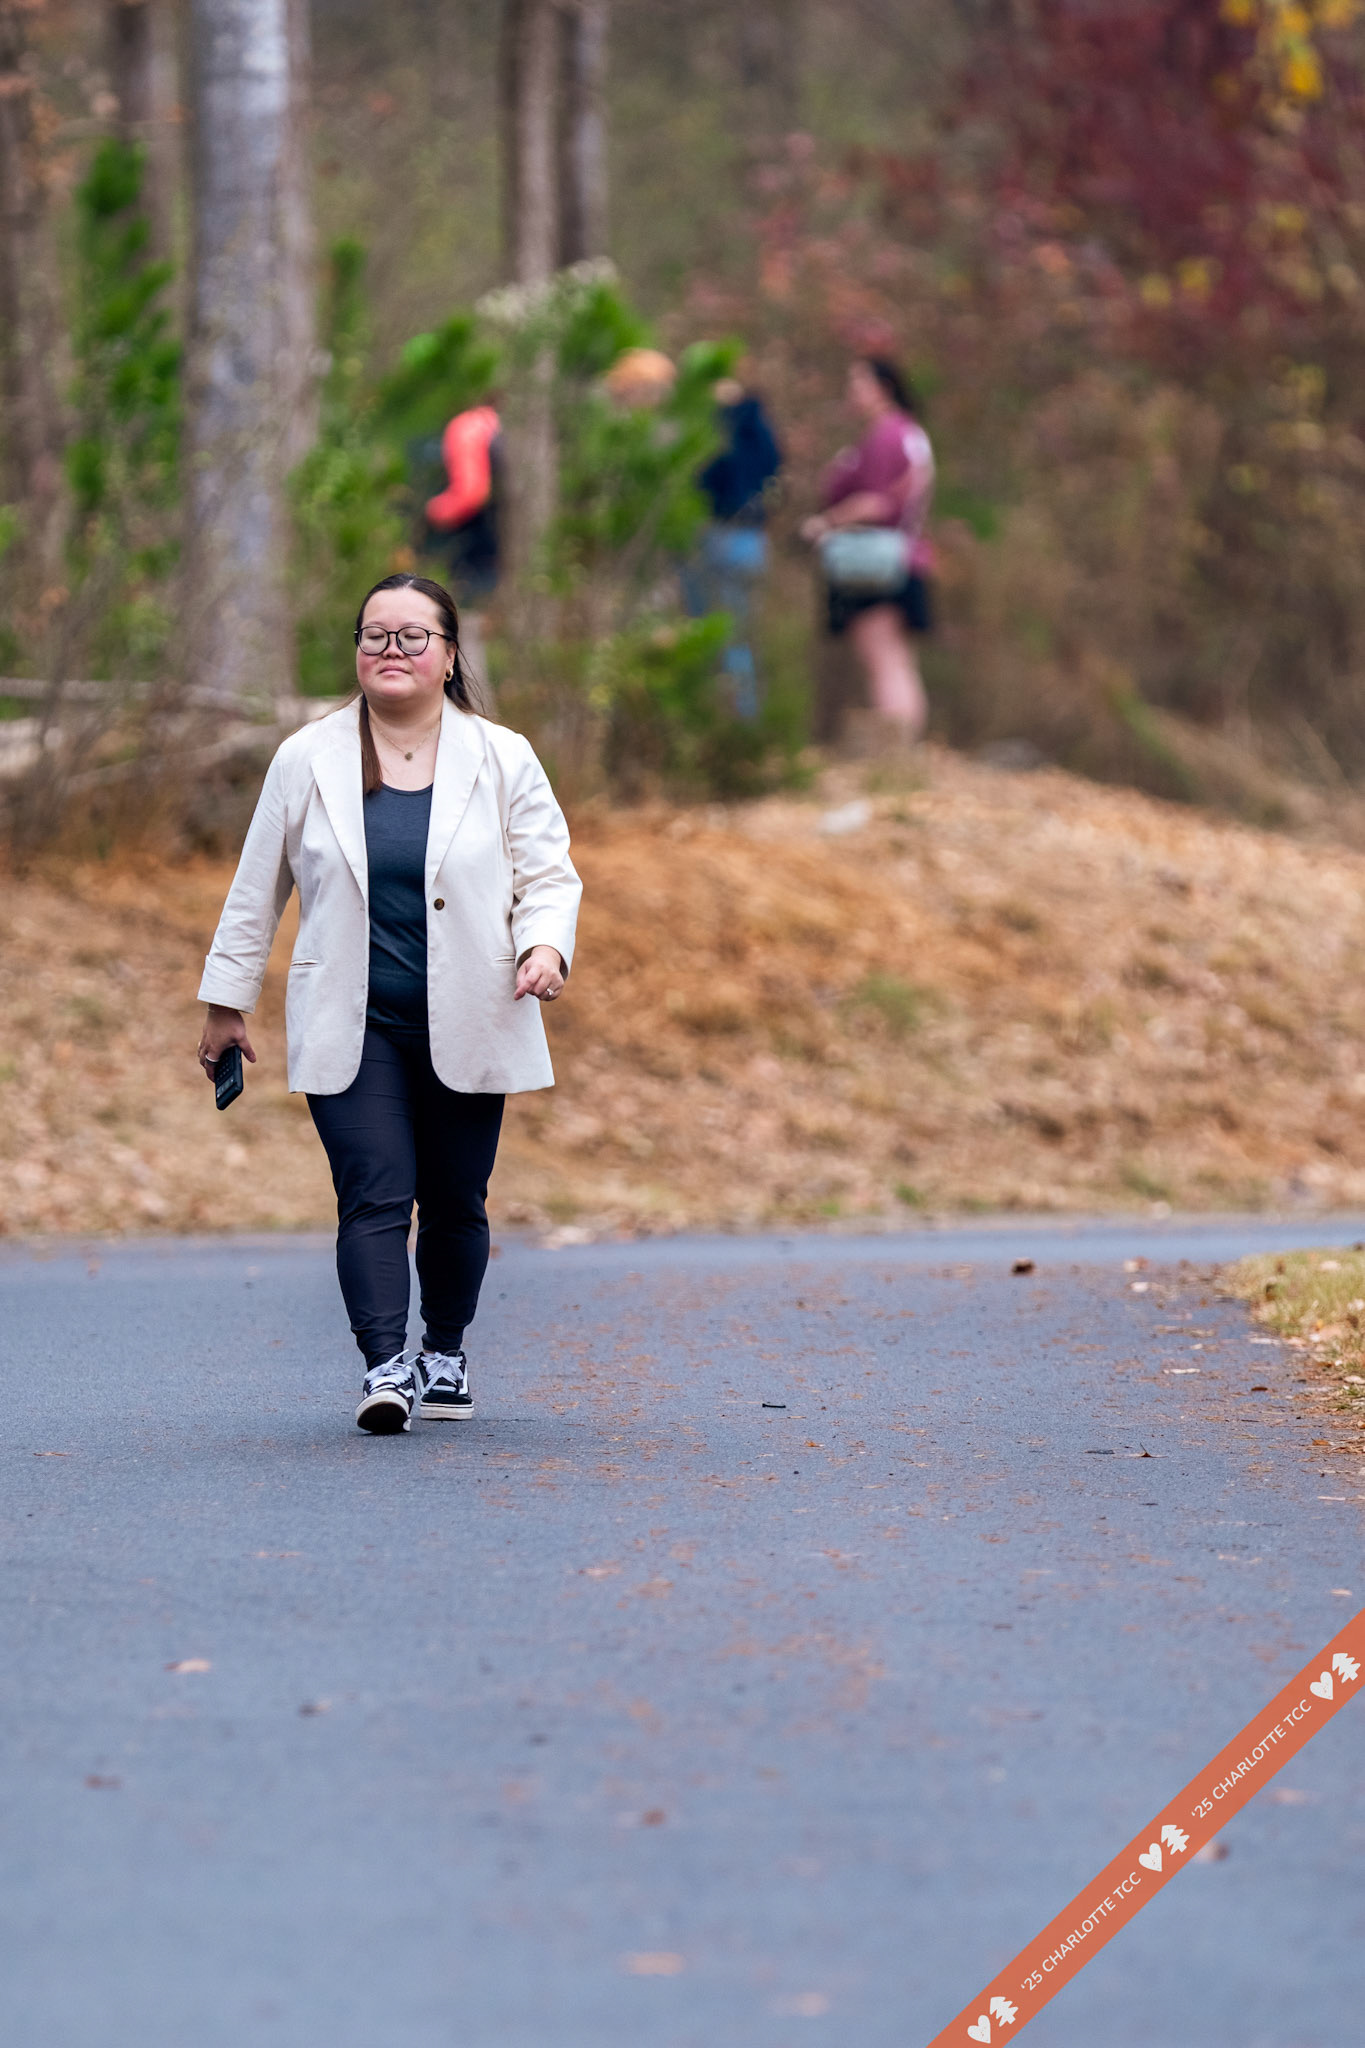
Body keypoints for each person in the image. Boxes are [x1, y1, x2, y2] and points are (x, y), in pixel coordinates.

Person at [195, 573, 581, 1437]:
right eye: (375, 636)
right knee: (373, 1192)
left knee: (455, 1200)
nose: (391, 651)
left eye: (412, 637)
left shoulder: (502, 755)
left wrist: (544, 947)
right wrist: (226, 999)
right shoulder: (307, 757)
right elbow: (259, 886)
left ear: (448, 656)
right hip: (351, 1021)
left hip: (472, 1014)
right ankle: (385, 1365)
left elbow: (548, 872)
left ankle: (444, 1348)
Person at [801, 357, 935, 744]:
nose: (851, 390)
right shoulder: (905, 433)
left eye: (858, 382)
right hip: (902, 555)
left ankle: (894, 747)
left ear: (884, 387)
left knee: (882, 654)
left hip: (879, 560)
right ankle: (902, 745)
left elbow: (878, 502)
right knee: (895, 655)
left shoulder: (888, 435)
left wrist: (826, 523)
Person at [682, 375, 783, 720]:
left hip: (720, 535)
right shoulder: (761, 429)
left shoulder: (715, 429)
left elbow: (704, 479)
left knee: (713, 634)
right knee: (741, 635)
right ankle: (745, 716)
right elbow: (774, 472)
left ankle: (730, 719)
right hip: (754, 540)